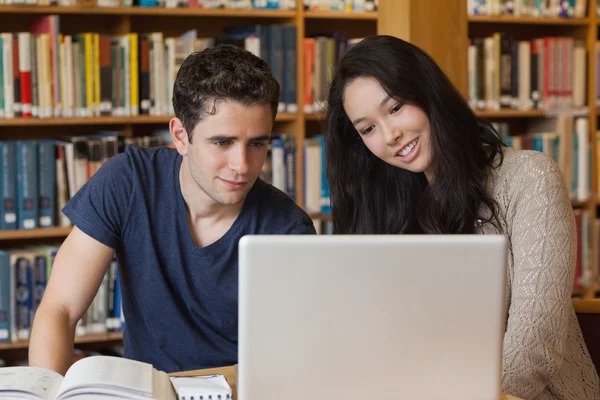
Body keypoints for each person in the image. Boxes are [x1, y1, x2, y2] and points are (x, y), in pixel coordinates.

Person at [324, 35, 599, 400]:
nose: (390, 135)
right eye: (368, 129)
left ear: (428, 94)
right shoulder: (388, 208)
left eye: (396, 107)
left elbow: (536, 344)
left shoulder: (529, 177)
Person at [28, 44, 316, 375]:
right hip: (143, 393)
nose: (242, 166)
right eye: (222, 142)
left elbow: (291, 362)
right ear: (180, 136)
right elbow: (59, 310)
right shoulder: (128, 181)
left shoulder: (288, 229)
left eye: (257, 144)